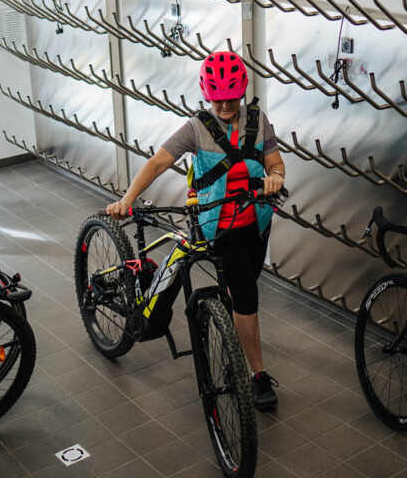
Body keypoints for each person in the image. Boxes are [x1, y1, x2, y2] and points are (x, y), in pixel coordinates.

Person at [107, 50, 286, 410]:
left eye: (231, 98)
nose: (224, 105)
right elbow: (158, 163)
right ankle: (258, 376)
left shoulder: (258, 120)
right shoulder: (195, 128)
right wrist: (126, 199)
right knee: (247, 296)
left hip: (257, 221)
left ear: (242, 91)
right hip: (219, 225)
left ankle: (239, 322)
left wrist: (276, 177)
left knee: (243, 290)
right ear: (206, 92)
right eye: (217, 98)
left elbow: (275, 162)